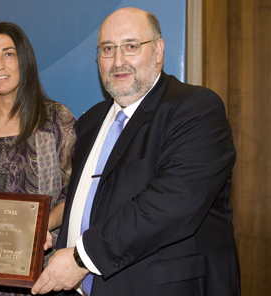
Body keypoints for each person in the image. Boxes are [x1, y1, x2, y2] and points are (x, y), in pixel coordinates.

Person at [31, 7, 240, 296]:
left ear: (158, 50)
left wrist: (81, 258)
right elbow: (94, 200)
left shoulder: (196, 110)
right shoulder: (90, 122)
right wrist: (47, 226)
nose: (118, 61)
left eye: (131, 46)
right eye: (107, 49)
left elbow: (169, 205)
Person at [0, 22, 77, 296]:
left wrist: (44, 226)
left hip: (45, 275)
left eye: (8, 54)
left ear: (25, 60)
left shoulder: (57, 119)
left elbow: (75, 197)